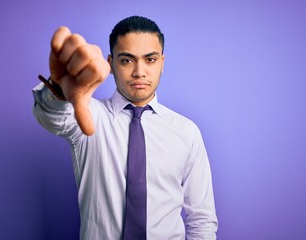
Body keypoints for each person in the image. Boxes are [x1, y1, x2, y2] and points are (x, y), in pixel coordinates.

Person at [32, 16, 218, 240]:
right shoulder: (89, 116)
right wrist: (60, 90)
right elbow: (53, 116)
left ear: (162, 63)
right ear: (110, 64)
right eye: (127, 60)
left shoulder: (187, 132)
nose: (139, 71)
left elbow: (202, 220)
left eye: (150, 59)